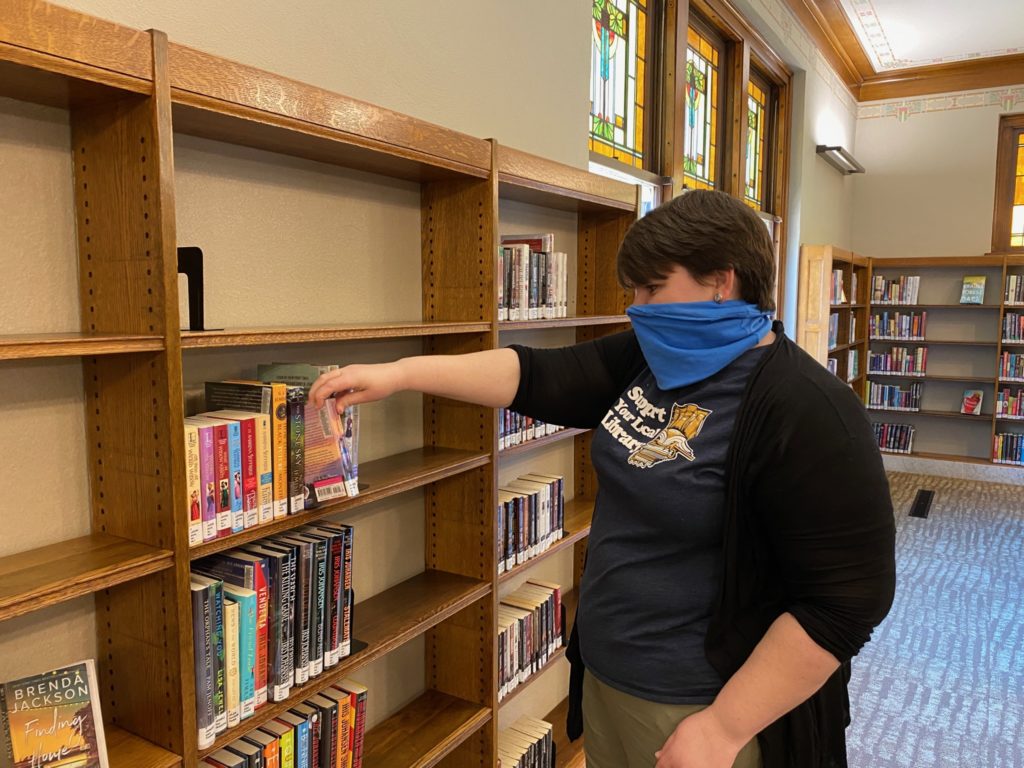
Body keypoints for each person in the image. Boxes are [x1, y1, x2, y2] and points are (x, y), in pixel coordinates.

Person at [309, 189, 896, 768]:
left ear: (722, 281)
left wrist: (723, 727)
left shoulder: (808, 408)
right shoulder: (652, 357)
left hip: (702, 708)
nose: (636, 307)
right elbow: (535, 374)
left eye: (652, 288)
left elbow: (845, 602)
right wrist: (402, 372)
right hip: (608, 677)